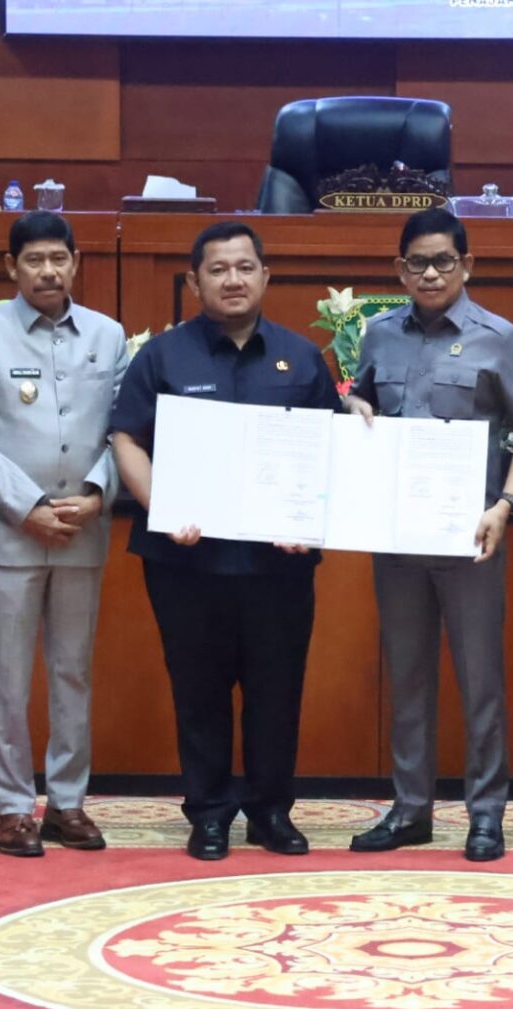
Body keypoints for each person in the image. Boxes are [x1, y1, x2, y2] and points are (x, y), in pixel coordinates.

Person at [109, 221, 341, 861]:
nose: (232, 280)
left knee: (277, 691)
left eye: (244, 267)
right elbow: (126, 438)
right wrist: (162, 506)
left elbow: (330, 450)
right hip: (186, 561)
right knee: (198, 691)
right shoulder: (162, 357)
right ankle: (209, 813)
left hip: (278, 565)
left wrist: (307, 519)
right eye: (217, 269)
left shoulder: (301, 357)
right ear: (194, 282)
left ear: (265, 275)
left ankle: (271, 812)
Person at [343, 208, 513, 862]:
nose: (430, 274)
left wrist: (506, 505)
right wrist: (353, 405)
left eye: (443, 261)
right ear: (399, 269)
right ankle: (411, 811)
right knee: (407, 679)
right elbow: (361, 403)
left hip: (471, 538)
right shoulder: (379, 335)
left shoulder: (499, 338)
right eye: (418, 263)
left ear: (467, 265)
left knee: (480, 681)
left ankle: (485, 815)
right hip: (397, 539)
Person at [0, 211, 131, 857]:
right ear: (11, 267)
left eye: (59, 258)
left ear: (76, 262)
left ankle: (68, 803)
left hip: (83, 530)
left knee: (72, 671)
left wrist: (96, 492)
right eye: (34, 259)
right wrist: (27, 507)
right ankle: (11, 807)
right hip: (10, 535)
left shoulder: (108, 335)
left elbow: (124, 432)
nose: (48, 271)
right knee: (8, 675)